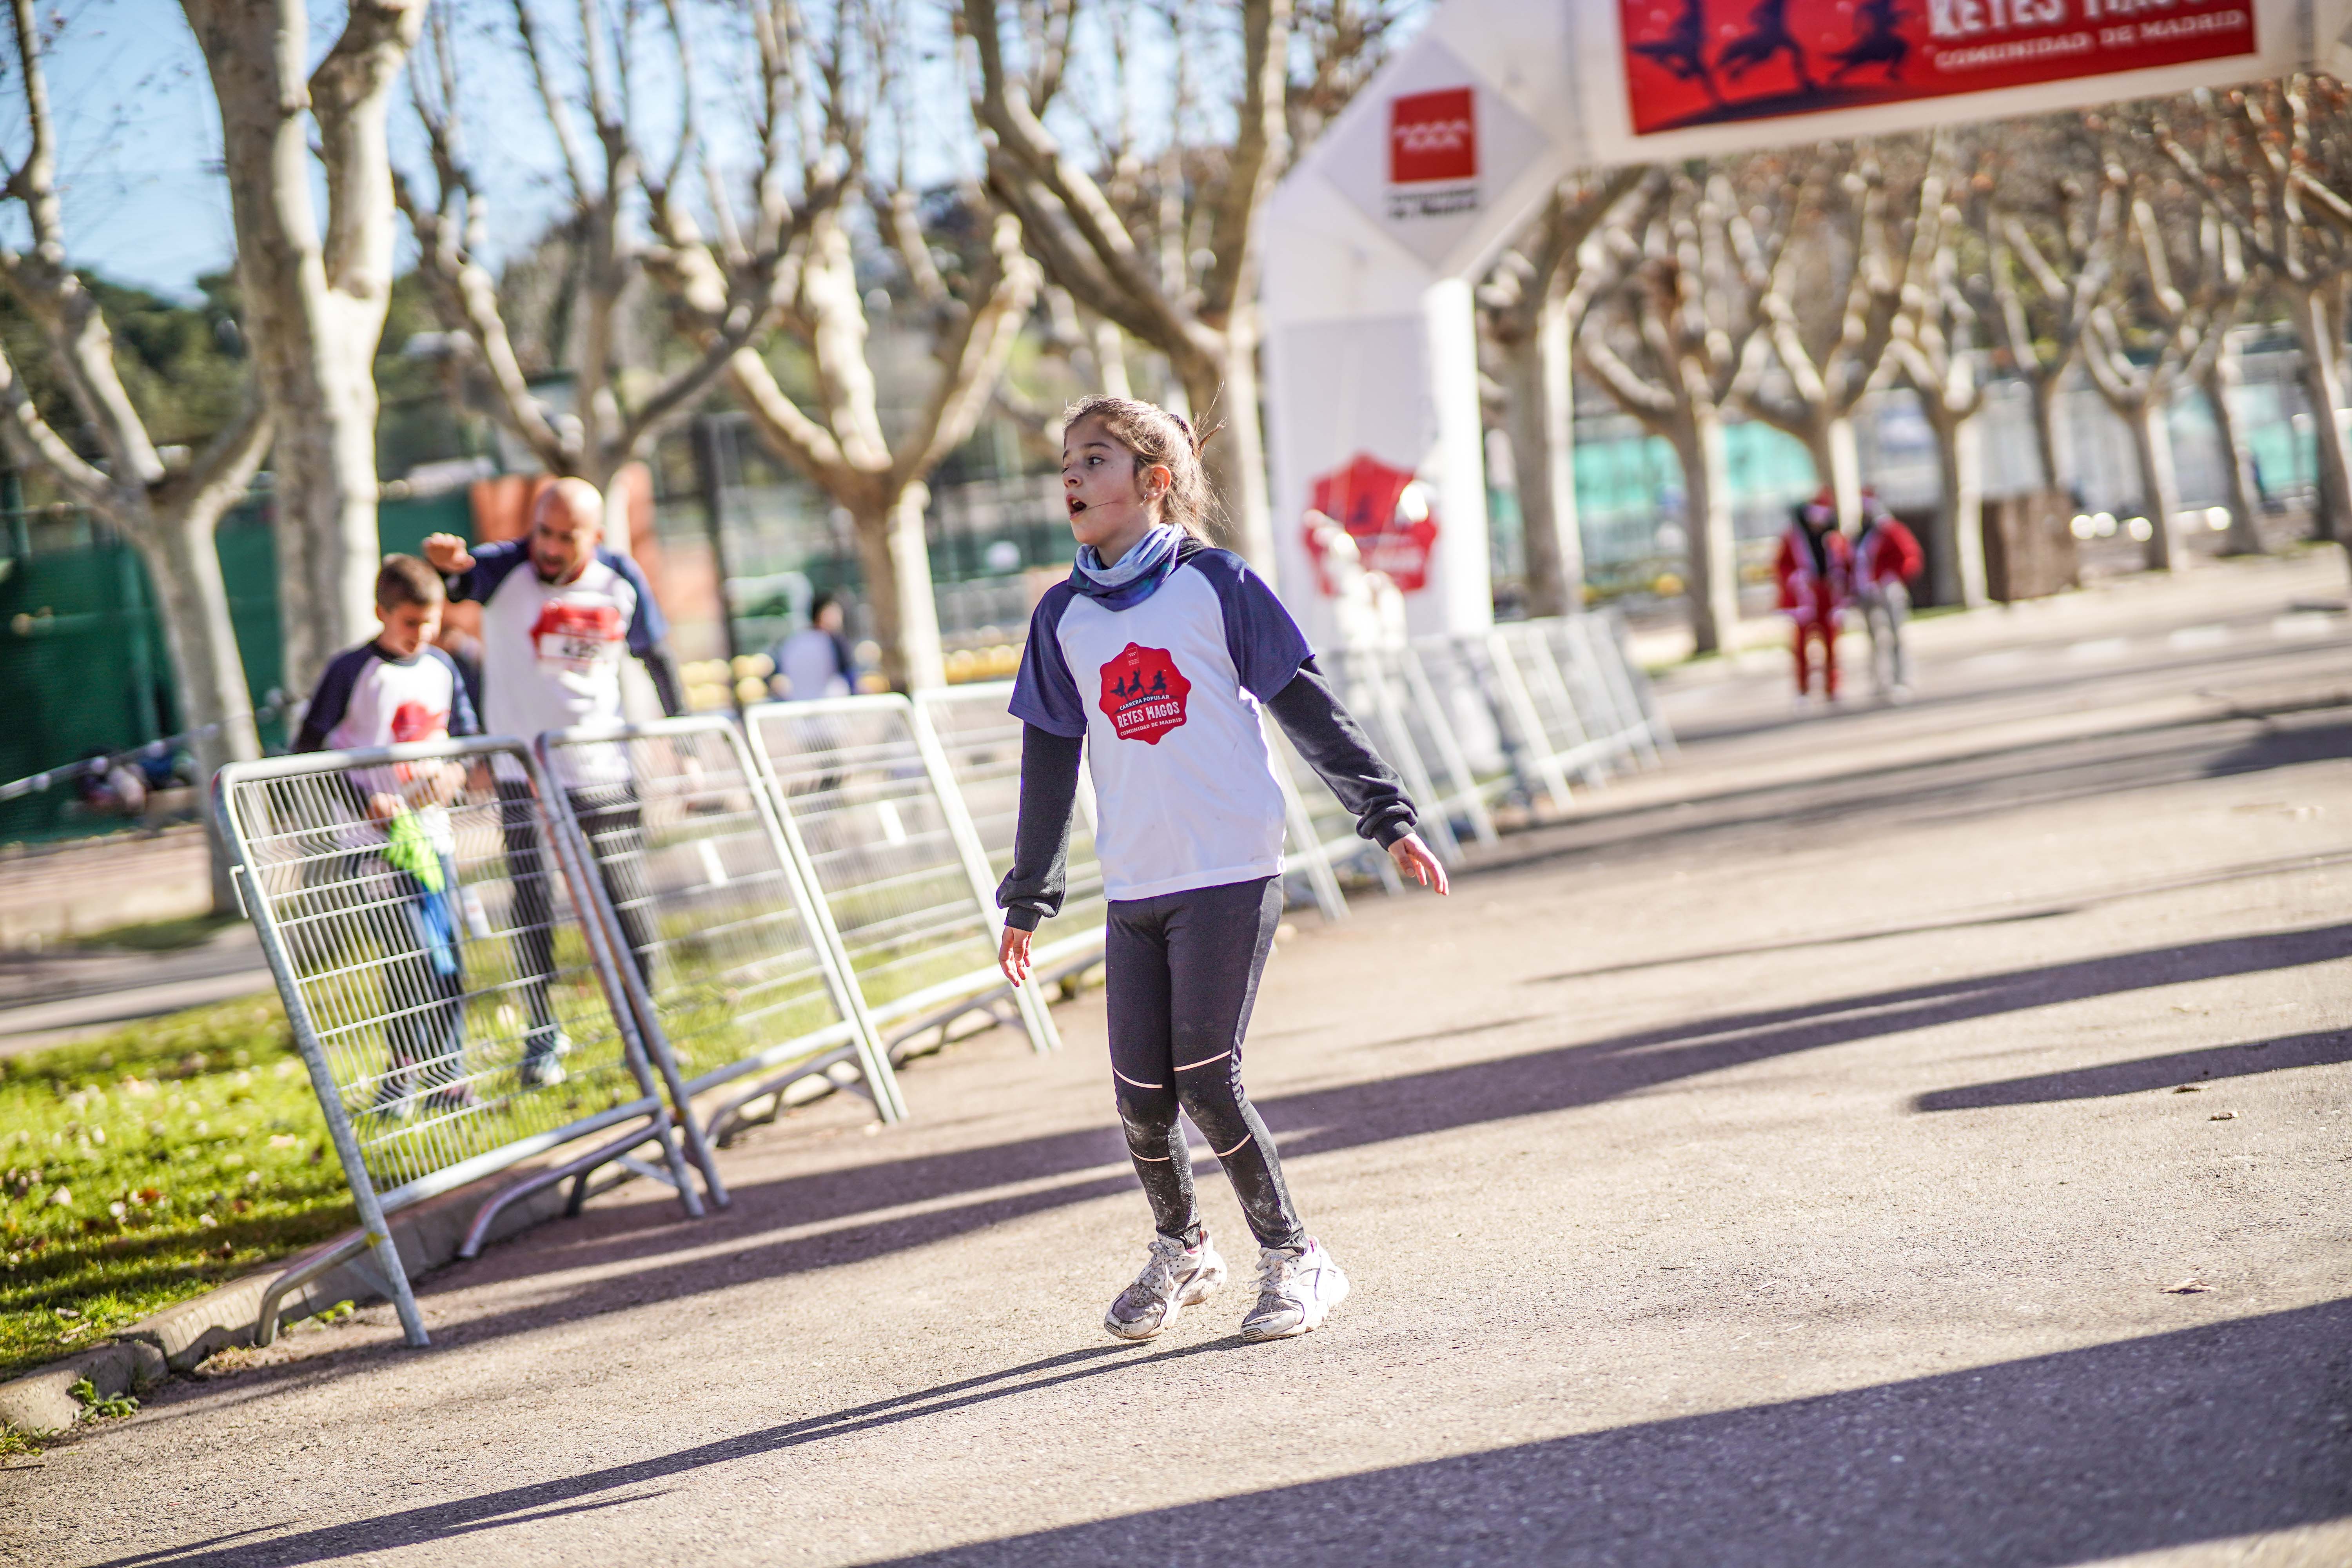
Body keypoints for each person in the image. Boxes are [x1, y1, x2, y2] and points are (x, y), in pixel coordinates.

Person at [995, 396, 1450, 1345]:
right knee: (1140, 1096)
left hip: (1231, 864)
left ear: (1155, 483)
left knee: (1205, 1077)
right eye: (1066, 462)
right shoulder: (1064, 615)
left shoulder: (1216, 583)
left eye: (1095, 459)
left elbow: (1307, 707)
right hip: (1138, 879)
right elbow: (1049, 757)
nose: (1070, 476)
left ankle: (1296, 1257)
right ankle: (1185, 1247)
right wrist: (1030, 895)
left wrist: (1386, 815)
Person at [422, 478, 685, 1085]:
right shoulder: (509, 567)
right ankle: (542, 1035)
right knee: (533, 903)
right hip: (524, 775)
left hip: (601, 771)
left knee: (626, 897)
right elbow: (465, 578)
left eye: (567, 537)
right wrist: (450, 567)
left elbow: (658, 655)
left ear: (594, 537)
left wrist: (684, 741)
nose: (550, 546)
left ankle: (646, 1030)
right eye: (543, 531)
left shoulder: (621, 579)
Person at [294, 555, 482, 1118]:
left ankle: (449, 1072)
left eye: (430, 623)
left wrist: (455, 775)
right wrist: (363, 801)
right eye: (409, 624)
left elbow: (468, 738)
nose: (421, 635)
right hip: (377, 845)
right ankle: (401, 1075)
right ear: (382, 613)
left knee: (446, 955)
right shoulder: (352, 670)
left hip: (433, 838)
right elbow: (308, 748)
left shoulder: (444, 666)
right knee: (410, 957)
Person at [1775, 492, 1853, 704]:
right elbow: (1782, 567)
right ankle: (1803, 689)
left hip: (1829, 597)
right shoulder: (1793, 539)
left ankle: (1833, 687)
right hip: (1805, 598)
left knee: (1832, 645)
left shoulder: (1835, 539)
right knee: (1801, 646)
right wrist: (1798, 579)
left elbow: (1848, 564)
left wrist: (1842, 582)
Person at [1851, 490, 1924, 700]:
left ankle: (1902, 679)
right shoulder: (1861, 533)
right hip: (1866, 592)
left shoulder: (1890, 530)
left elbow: (1910, 556)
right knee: (1874, 639)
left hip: (1887, 591)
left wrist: (1893, 579)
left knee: (1895, 636)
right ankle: (1879, 681)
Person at [769, 592, 860, 700]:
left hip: (798, 703)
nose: (839, 619)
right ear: (822, 614)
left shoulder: (793, 641)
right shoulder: (832, 641)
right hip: (831, 705)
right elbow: (849, 677)